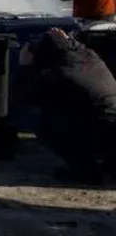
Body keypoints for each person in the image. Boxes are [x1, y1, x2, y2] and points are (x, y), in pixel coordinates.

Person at [20, 27, 116, 184]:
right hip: (112, 128)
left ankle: (86, 171)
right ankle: (111, 164)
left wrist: (24, 66)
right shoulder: (90, 57)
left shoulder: (59, 74)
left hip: (102, 131)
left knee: (44, 122)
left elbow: (22, 98)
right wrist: (67, 40)